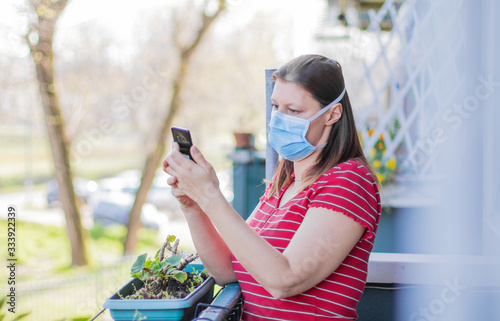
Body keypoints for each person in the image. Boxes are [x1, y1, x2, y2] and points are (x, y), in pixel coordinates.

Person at [162, 54, 381, 321]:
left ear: (333, 114)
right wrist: (194, 207)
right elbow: (227, 271)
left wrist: (210, 195)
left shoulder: (349, 181)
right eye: (276, 106)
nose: (279, 118)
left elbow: (284, 279)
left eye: (294, 111)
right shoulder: (285, 181)